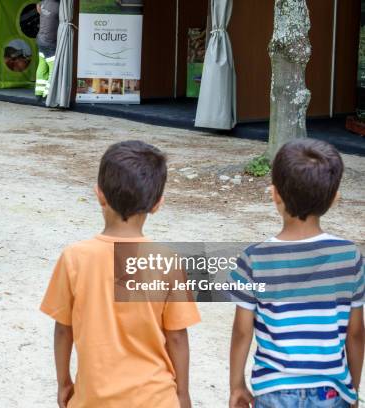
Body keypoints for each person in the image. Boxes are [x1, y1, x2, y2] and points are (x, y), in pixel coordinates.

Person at [40, 141, 201, 407]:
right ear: (158, 204)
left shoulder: (74, 258)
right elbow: (176, 336)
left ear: (99, 194)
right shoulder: (168, 261)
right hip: (156, 398)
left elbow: (63, 331)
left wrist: (64, 382)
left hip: (93, 399)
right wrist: (182, 393)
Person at [228, 139, 364, 408]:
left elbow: (243, 332)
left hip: (274, 390)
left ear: (274, 194)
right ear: (334, 198)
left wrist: (236, 386)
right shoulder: (350, 256)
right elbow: (356, 332)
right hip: (330, 391)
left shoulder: (254, 258)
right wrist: (352, 390)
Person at [35, 0, 60, 99]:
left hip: (40, 39)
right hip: (50, 42)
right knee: (53, 68)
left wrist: (44, 14)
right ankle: (47, 94)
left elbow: (38, 6)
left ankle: (38, 93)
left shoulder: (44, 2)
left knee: (42, 66)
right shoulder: (59, 6)